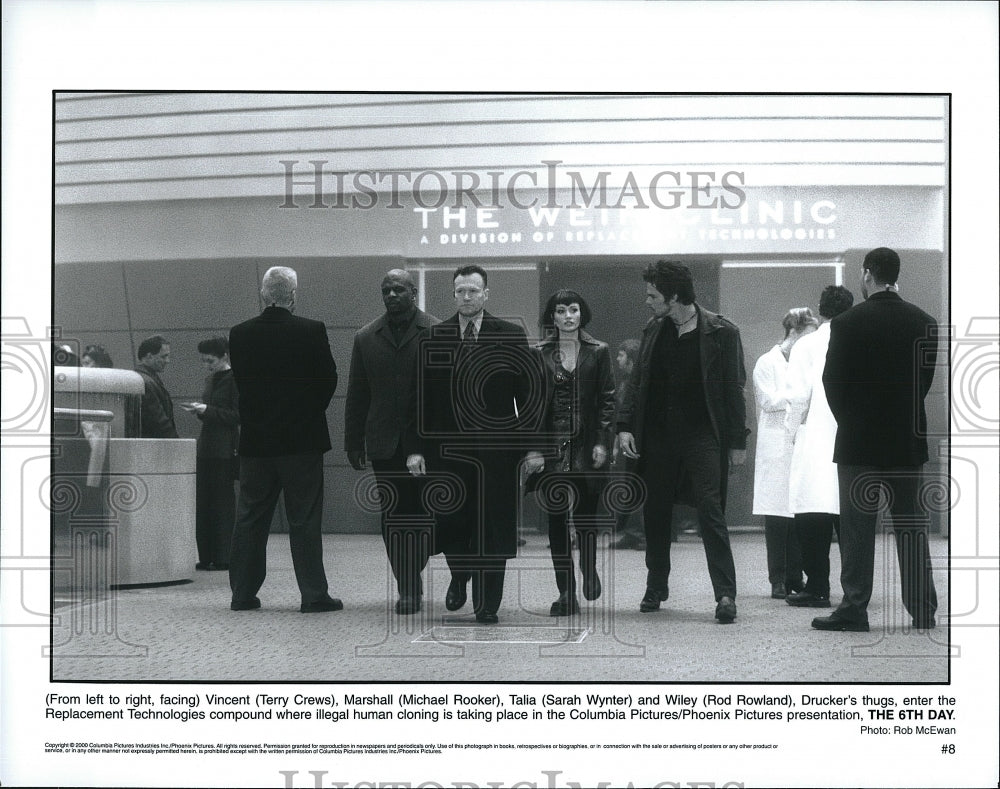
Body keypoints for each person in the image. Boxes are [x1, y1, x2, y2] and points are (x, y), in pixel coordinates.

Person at [406, 265, 544, 624]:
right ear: (453, 294)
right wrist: (416, 449)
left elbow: (528, 396)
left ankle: (487, 604)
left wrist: (532, 447)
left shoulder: (511, 336)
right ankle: (461, 573)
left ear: (486, 294)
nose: (466, 297)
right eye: (460, 291)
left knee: (492, 525)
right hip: (446, 452)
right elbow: (420, 399)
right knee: (452, 521)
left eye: (472, 291)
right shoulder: (435, 337)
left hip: (497, 451)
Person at [814, 247, 940, 632]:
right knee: (911, 527)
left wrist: (850, 421)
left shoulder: (848, 322)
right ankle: (922, 610)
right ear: (895, 275)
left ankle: (854, 609)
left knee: (856, 530)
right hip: (905, 440)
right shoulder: (925, 321)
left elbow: (832, 381)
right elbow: (924, 383)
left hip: (859, 442)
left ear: (868, 274)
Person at [617, 260, 748, 623]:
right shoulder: (654, 329)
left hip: (702, 435)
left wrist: (738, 442)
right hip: (657, 436)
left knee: (710, 510)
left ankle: (725, 594)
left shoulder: (722, 332)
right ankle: (656, 585)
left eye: (652, 295)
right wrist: (624, 425)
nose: (647, 301)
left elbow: (734, 391)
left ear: (673, 296)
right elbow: (638, 382)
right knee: (655, 511)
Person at [227, 266, 342, 613]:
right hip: (301, 442)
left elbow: (243, 386)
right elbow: (328, 379)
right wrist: (305, 413)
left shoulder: (240, 334)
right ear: (293, 295)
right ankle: (313, 594)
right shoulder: (310, 330)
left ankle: (242, 594)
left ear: (264, 295)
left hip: (256, 444)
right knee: (304, 520)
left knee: (249, 518)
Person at [344, 269, 439, 615]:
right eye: (386, 290)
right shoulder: (366, 336)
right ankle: (408, 588)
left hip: (428, 444)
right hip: (384, 442)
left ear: (413, 292)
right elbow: (357, 392)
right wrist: (353, 442)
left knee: (428, 516)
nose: (392, 295)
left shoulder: (436, 331)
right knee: (394, 517)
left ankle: (415, 564)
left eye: (399, 289)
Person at [530, 290, 615, 616]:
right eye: (561, 310)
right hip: (551, 446)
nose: (568, 316)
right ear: (552, 316)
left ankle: (588, 568)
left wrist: (600, 442)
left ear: (582, 314)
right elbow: (531, 404)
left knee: (585, 518)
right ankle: (566, 592)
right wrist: (534, 448)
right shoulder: (538, 353)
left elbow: (607, 400)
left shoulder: (599, 351)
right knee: (556, 521)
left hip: (585, 442)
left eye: (574, 310)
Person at [784, 286, 854, 609]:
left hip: (814, 438)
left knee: (812, 516)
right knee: (851, 521)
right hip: (851, 439)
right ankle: (855, 590)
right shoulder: (858, 339)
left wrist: (791, 433)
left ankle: (817, 587)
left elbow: (797, 396)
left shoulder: (806, 345)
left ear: (820, 309)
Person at [751, 307, 817, 599]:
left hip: (798, 442)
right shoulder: (767, 362)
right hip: (776, 446)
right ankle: (777, 579)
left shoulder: (806, 363)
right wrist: (799, 396)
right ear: (794, 332)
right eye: (808, 334)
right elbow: (768, 401)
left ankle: (795, 576)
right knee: (776, 518)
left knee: (798, 515)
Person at [180, 336, 239, 572]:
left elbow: (237, 415)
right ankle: (206, 556)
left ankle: (224, 556)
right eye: (204, 361)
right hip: (208, 447)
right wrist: (202, 411)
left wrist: (208, 410)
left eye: (210, 360)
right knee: (204, 503)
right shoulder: (211, 378)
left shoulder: (235, 380)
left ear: (224, 356)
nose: (207, 365)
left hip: (224, 449)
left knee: (222, 504)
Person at [610, 339, 646, 551]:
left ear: (631, 358)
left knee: (638, 486)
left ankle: (640, 534)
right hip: (631, 441)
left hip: (638, 441)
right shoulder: (627, 382)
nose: (617, 359)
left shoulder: (636, 383)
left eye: (621, 355)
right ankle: (634, 533)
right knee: (633, 486)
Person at [134, 335, 178, 438]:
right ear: (149, 356)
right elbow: (159, 422)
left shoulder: (141, 378)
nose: (168, 360)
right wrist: (177, 443)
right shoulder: (147, 383)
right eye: (164, 356)